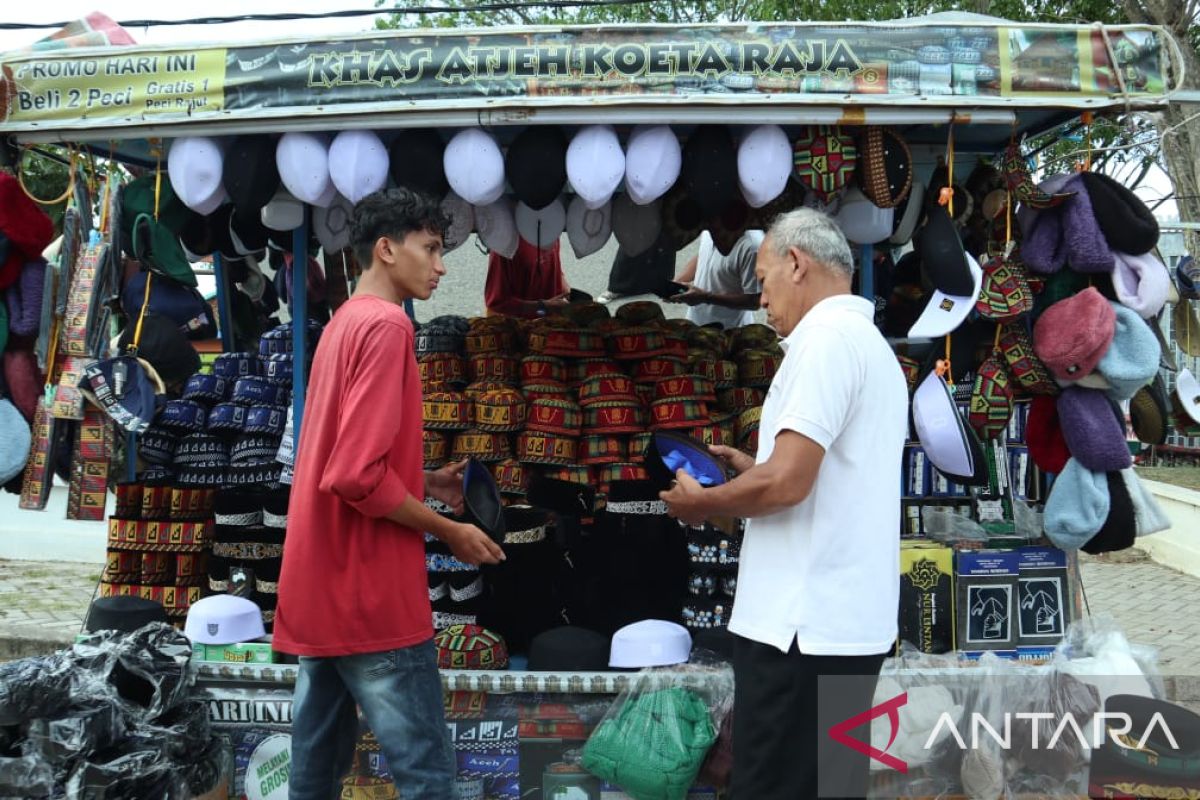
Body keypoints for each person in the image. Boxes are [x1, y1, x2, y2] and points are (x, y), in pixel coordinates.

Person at [660, 208, 908, 799]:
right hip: (846, 627)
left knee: (772, 785)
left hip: (801, 630)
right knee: (832, 785)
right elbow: (819, 476)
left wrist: (706, 502)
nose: (761, 301)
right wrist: (755, 472)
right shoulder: (867, 344)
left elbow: (790, 483)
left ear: (797, 264)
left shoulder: (822, 343)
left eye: (764, 281)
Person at [274, 188, 505, 800]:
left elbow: (341, 458)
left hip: (321, 586)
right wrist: (448, 528)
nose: (441, 264)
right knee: (426, 775)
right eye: (430, 248)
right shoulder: (387, 327)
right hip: (371, 595)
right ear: (386, 249)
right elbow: (353, 476)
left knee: (314, 774)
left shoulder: (344, 321)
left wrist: (425, 480)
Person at [669, 229, 765, 328]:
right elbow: (703, 254)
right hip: (695, 322)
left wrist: (706, 298)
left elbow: (754, 302)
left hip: (729, 330)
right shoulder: (711, 227)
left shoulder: (752, 248)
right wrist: (678, 282)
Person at [484, 238, 571, 318]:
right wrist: (543, 306)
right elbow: (496, 303)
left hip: (550, 323)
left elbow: (554, 269)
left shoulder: (551, 231)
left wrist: (568, 292)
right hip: (516, 327)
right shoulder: (504, 244)